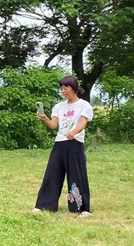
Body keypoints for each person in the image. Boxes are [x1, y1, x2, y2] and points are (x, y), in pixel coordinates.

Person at [33, 76, 93, 216]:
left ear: (73, 88)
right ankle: (45, 205)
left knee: (77, 175)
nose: (63, 91)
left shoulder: (84, 105)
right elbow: (53, 125)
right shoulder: (58, 107)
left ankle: (80, 208)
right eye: (61, 89)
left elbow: (83, 122)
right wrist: (45, 118)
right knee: (52, 174)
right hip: (59, 143)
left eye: (65, 88)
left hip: (75, 144)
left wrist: (74, 132)